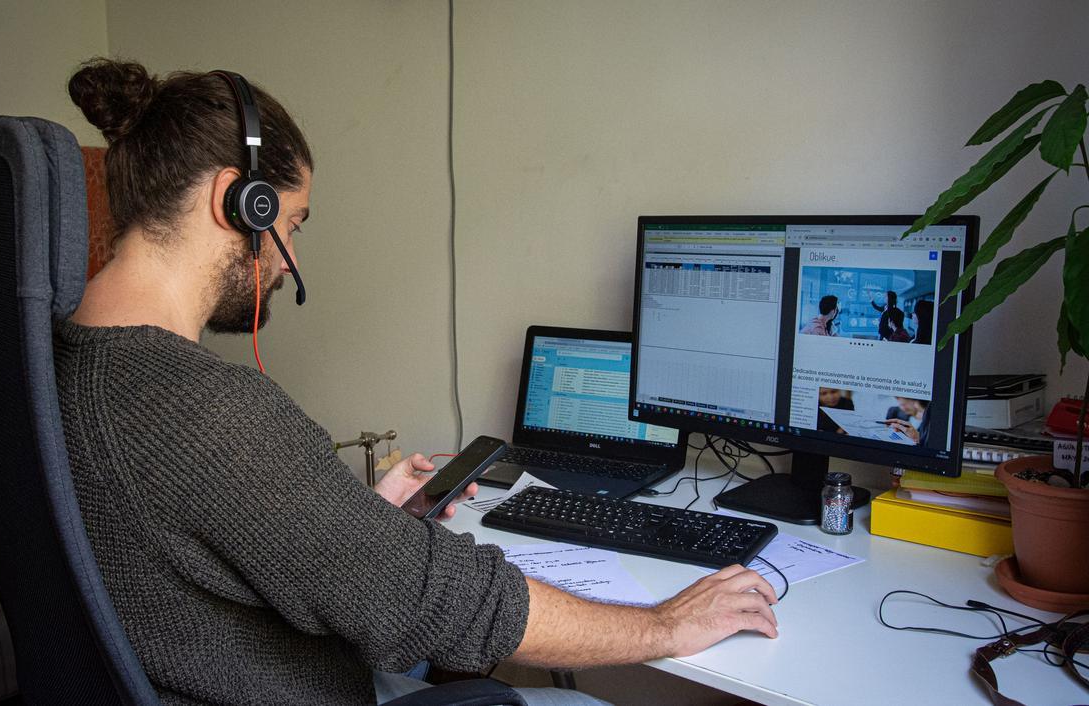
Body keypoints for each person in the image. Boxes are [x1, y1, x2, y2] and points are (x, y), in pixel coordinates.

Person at [55, 59, 778, 706]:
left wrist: (357, 520)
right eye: (293, 223)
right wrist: (664, 623)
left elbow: (190, 548)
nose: (287, 258)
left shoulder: (57, 362)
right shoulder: (203, 407)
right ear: (240, 204)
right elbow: (448, 606)